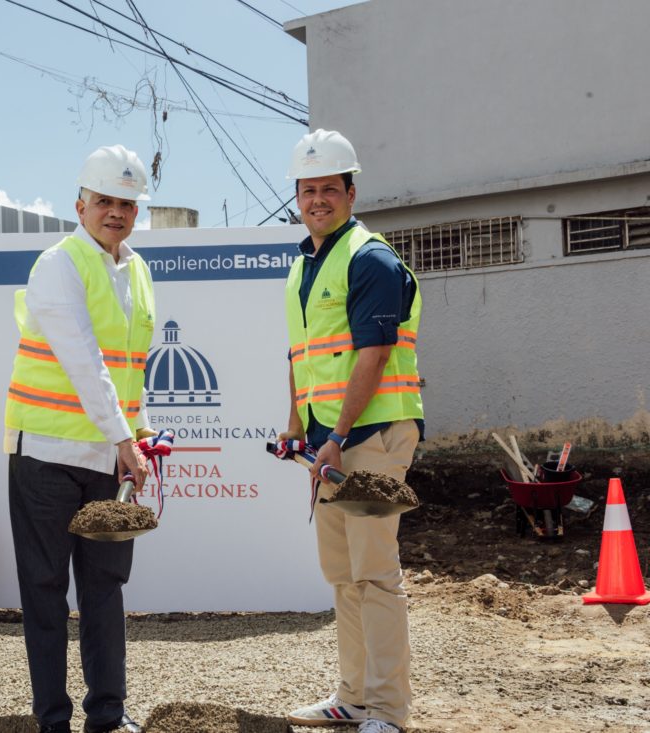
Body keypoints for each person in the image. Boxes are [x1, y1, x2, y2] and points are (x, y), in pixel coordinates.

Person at [4, 144, 156, 733]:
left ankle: (108, 716)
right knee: (45, 592)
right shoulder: (58, 264)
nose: (115, 212)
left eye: (126, 202)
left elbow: (130, 368)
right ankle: (52, 721)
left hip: (107, 459)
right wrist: (125, 437)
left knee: (105, 589)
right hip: (45, 457)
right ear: (81, 204)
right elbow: (83, 359)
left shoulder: (138, 272)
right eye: (104, 201)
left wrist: (138, 432)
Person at [278, 129, 424, 733]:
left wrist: (334, 435)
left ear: (351, 192)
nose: (318, 199)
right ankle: (355, 697)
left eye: (329, 189)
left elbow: (374, 353)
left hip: (370, 436)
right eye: (308, 189)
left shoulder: (369, 258)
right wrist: (297, 429)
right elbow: (301, 354)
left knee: (374, 575)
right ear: (297, 195)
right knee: (343, 576)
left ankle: (388, 711)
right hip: (330, 442)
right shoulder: (305, 264)